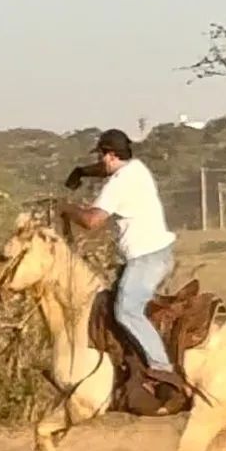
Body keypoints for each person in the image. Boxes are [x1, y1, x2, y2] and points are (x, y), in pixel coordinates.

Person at [58, 128, 187, 399]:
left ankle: (163, 372)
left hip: (146, 259)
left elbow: (92, 221)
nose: (102, 162)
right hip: (155, 254)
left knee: (126, 310)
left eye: (102, 156)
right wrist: (82, 171)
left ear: (110, 154)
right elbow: (106, 169)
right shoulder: (136, 169)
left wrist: (65, 208)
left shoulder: (119, 184)